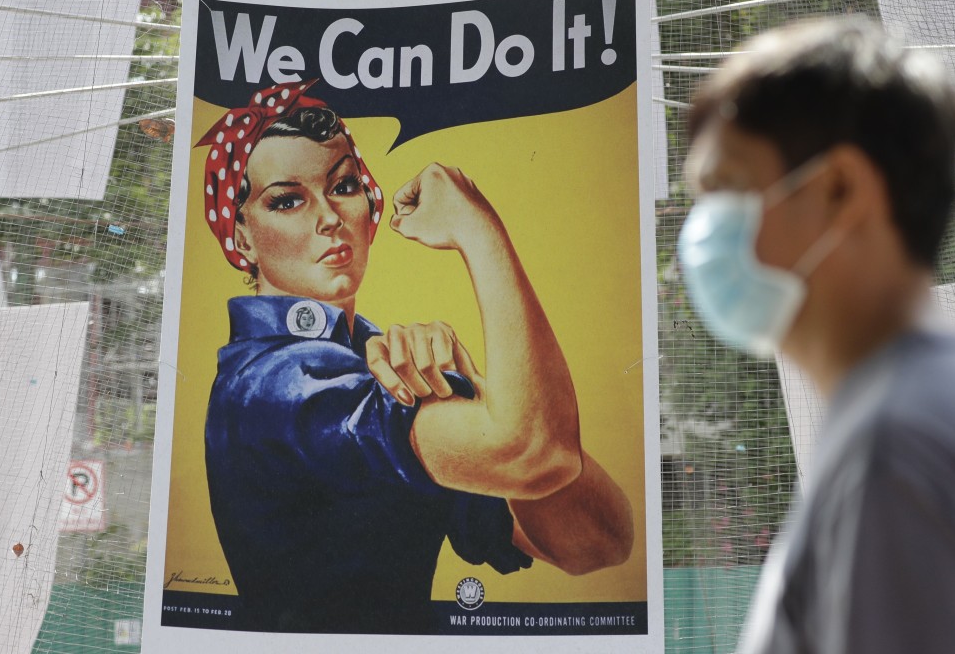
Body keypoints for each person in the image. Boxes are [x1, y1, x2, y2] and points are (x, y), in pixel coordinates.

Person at [194, 80, 633, 634]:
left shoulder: (368, 369)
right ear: (244, 238)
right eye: (287, 200)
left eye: (343, 186)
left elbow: (597, 544)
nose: (329, 217)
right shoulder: (274, 384)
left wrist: (475, 389)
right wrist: (479, 229)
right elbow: (534, 452)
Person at [677, 17, 955, 654]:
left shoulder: (899, 447)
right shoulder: (952, 397)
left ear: (838, 188)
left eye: (724, 189)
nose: (700, 233)